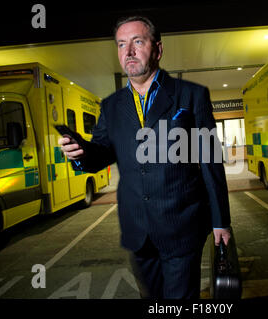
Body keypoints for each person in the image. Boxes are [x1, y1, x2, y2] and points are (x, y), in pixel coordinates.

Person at [59, 15, 231, 299]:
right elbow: (101, 152)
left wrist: (220, 220)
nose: (128, 52)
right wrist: (80, 153)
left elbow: (210, 160)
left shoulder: (191, 96)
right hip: (137, 229)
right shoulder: (111, 106)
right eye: (121, 44)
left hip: (181, 225)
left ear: (158, 49)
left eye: (137, 42)